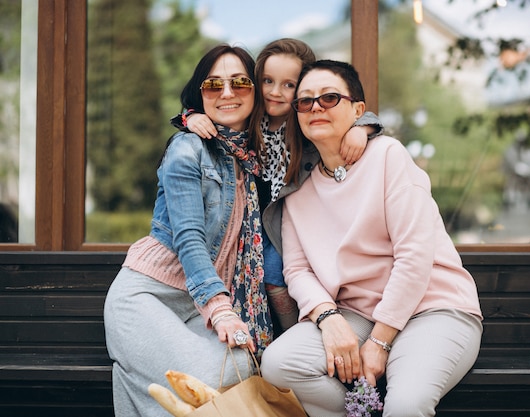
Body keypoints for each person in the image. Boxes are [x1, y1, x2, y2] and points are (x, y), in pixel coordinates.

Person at [259, 60, 483, 417]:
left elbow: (414, 256)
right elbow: (298, 270)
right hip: (355, 315)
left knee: (407, 406)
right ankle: (363, 412)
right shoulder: (297, 189)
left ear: (358, 110)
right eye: (304, 101)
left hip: (432, 308)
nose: (315, 106)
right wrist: (327, 318)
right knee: (279, 365)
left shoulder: (387, 156)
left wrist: (380, 341)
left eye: (329, 98)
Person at [170, 38, 383, 333]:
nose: (274, 92)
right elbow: (212, 114)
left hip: (292, 223)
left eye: (288, 85)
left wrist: (363, 128)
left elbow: (352, 113)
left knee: (278, 272)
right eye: (267, 81)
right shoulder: (248, 121)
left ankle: (293, 332)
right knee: (264, 272)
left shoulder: (307, 123)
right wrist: (190, 117)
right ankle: (280, 336)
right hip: (252, 222)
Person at [104, 45, 270, 417]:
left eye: (240, 82)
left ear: (255, 92)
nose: (227, 93)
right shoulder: (187, 147)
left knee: (241, 366)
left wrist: (366, 125)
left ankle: (132, 373)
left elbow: (311, 118)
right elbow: (189, 238)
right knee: (211, 375)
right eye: (214, 85)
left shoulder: (252, 158)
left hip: (196, 309)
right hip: (148, 296)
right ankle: (134, 365)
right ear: (200, 94)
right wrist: (221, 309)